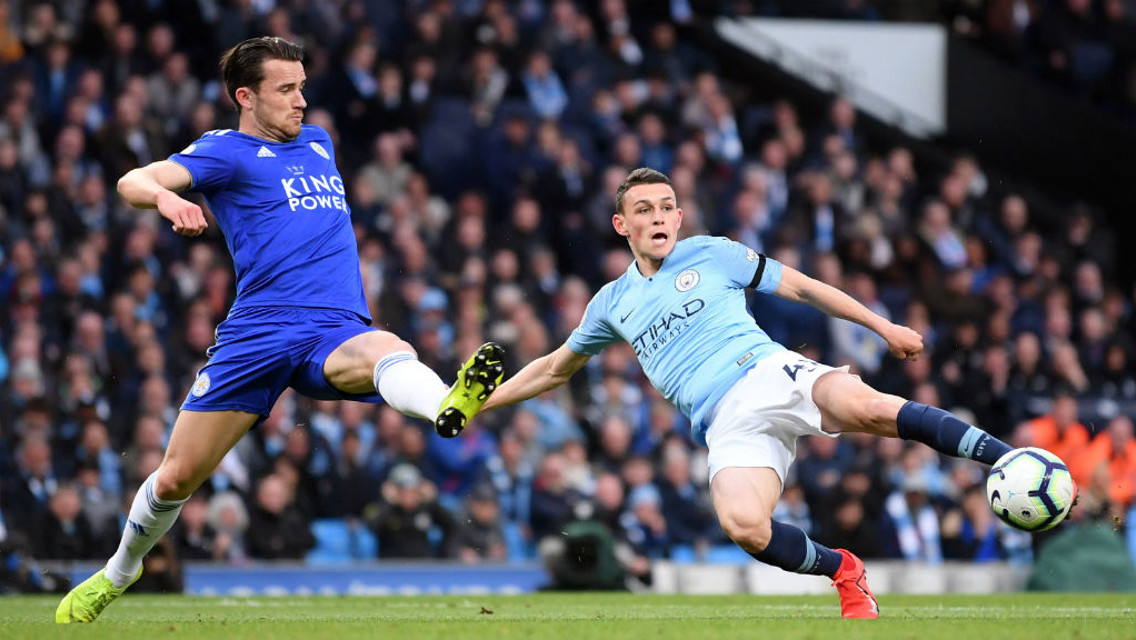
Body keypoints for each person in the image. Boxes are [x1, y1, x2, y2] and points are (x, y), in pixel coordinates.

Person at [55, 36, 504, 624]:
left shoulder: (319, 144)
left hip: (332, 328)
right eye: (286, 90)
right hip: (258, 333)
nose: (301, 102)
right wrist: (167, 202)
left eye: (303, 88)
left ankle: (446, 403)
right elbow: (132, 180)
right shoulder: (225, 152)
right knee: (175, 479)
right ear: (246, 96)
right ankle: (119, 571)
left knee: (389, 348)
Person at [479, 167, 1020, 619]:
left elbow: (803, 286)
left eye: (667, 207)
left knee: (872, 409)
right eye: (644, 210)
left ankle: (1010, 459)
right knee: (744, 526)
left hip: (767, 371)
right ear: (622, 225)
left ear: (679, 217)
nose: (659, 217)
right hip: (723, 422)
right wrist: (480, 401)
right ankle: (844, 570)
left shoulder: (712, 254)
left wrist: (885, 327)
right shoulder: (610, 303)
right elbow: (552, 370)